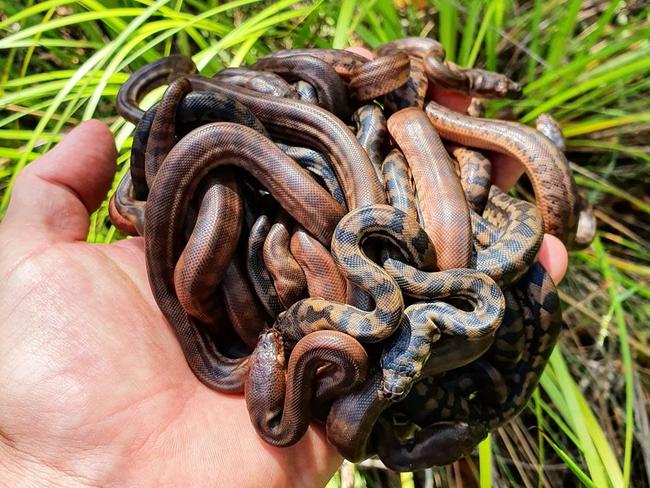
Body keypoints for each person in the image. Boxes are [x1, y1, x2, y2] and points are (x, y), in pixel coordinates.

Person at [0, 48, 567, 487]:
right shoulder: (360, 301)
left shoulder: (379, 295)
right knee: (259, 186)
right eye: (277, 350)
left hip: (382, 257)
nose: (271, 341)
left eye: (273, 347)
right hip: (356, 234)